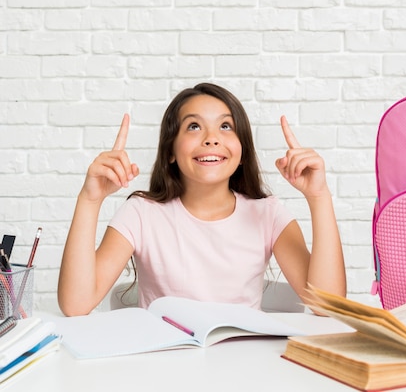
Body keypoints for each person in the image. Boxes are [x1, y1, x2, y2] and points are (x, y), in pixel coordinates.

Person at [58, 82, 346, 316]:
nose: (211, 138)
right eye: (194, 127)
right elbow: (76, 305)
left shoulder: (267, 214)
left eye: (225, 126)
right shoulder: (141, 213)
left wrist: (318, 197)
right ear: (170, 150)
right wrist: (90, 199)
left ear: (241, 150)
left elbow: (328, 305)